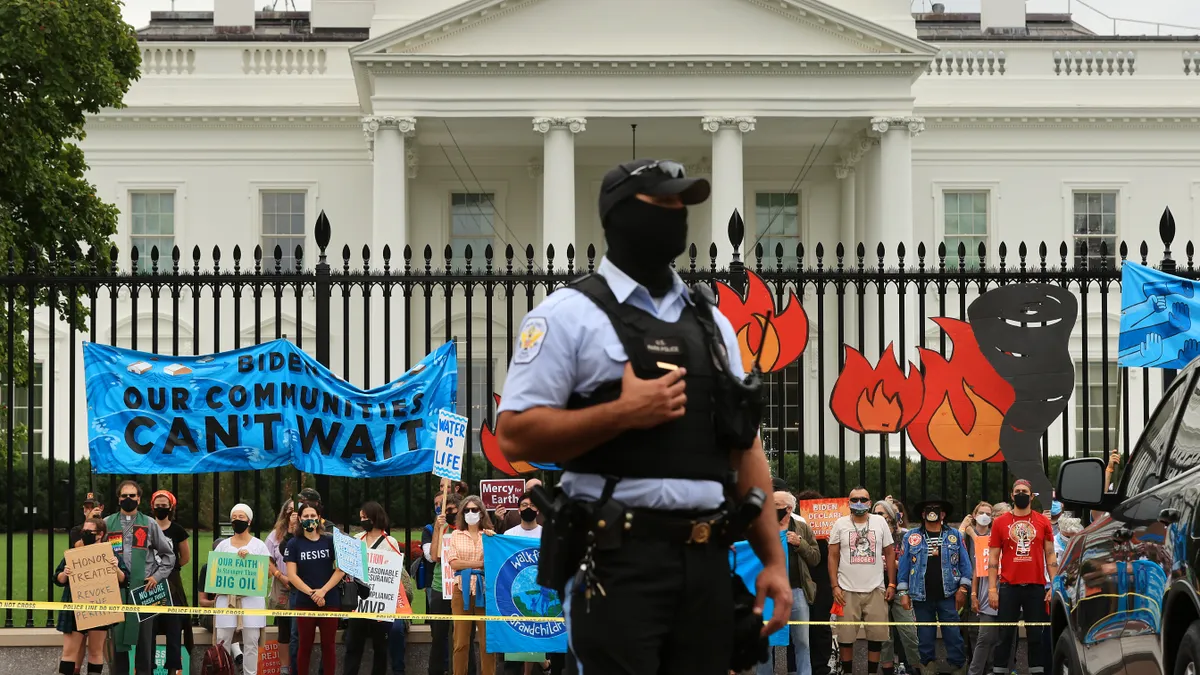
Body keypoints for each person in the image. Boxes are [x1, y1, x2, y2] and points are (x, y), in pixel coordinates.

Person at [494, 158, 790, 674]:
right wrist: (622, 412)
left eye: (683, 206)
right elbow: (514, 434)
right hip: (616, 560)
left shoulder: (712, 322)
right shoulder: (567, 314)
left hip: (706, 558)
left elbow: (746, 447)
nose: (678, 216)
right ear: (622, 215)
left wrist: (773, 561)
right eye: (665, 204)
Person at [106, 480, 177, 675]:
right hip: (117, 590)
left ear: (139, 498)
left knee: (145, 643)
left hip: (144, 590)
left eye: (132, 496)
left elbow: (169, 555)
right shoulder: (107, 523)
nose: (128, 499)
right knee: (117, 640)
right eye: (124, 496)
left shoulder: (149, 523)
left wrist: (157, 576)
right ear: (118, 498)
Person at [897, 497, 972, 675]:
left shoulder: (955, 535)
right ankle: (927, 669)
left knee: (953, 635)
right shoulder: (911, 536)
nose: (932, 511)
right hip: (920, 596)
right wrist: (903, 592)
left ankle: (958, 668)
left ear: (943, 514)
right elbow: (904, 565)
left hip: (949, 595)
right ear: (923, 515)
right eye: (928, 509)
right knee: (924, 637)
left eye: (936, 509)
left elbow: (966, 565)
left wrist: (963, 589)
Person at [988, 480, 1057, 675]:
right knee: (1005, 635)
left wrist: (1055, 584)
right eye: (1017, 491)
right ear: (1011, 495)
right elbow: (993, 557)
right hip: (1009, 586)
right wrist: (992, 589)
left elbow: (1050, 554)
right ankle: (999, 670)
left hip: (1036, 586)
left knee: (1036, 635)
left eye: (1024, 491)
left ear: (1031, 496)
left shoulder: (1042, 522)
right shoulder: (1000, 522)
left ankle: (1036, 671)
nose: (1020, 494)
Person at [828, 486, 895, 675]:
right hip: (846, 590)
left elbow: (889, 553)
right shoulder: (840, 524)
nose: (859, 503)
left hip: (876, 589)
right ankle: (848, 672)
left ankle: (872, 673)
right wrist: (834, 586)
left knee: (876, 637)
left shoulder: (879, 521)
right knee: (846, 638)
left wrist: (891, 583)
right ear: (848, 503)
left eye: (863, 499)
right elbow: (832, 555)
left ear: (870, 502)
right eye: (854, 499)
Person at [756, 490, 818, 675]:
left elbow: (815, 558)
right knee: (765, 641)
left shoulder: (802, 527)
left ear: (789, 508)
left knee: (802, 642)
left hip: (797, 592)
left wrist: (800, 544)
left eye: (776, 505)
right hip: (768, 595)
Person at [55, 517, 128, 675]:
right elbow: (57, 579)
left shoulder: (109, 554)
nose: (85, 534)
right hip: (75, 607)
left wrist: (115, 568)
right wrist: (65, 573)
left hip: (99, 606)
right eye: (83, 531)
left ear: (100, 534)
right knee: (69, 653)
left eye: (89, 532)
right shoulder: (75, 553)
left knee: (96, 652)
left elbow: (124, 580)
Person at [344, 501, 409, 675]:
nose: (363, 521)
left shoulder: (390, 542)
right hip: (359, 603)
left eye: (365, 517)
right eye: (361, 518)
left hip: (381, 603)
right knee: (353, 646)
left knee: (380, 648)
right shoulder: (357, 539)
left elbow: (395, 572)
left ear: (375, 517)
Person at [287, 503, 344, 675]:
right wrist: (312, 593)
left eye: (313, 516)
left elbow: (340, 570)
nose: (309, 519)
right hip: (305, 601)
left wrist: (323, 591)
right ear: (299, 519)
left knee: (329, 646)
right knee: (304, 646)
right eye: (306, 516)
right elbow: (292, 575)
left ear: (319, 518)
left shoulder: (330, 540)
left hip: (330, 599)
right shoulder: (294, 543)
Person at [212, 504, 270, 675]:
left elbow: (266, 574)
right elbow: (215, 573)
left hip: (252, 601)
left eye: (241, 517)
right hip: (226, 601)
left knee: (251, 642)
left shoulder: (258, 545)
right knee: (223, 641)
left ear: (249, 521)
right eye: (234, 517)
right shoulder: (222, 545)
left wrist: (251, 560)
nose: (237, 520)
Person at [448, 495, 496, 675]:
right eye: (466, 510)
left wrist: (469, 563)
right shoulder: (456, 535)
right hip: (462, 589)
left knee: (487, 642)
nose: (470, 513)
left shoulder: (490, 536)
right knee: (460, 642)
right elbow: (453, 563)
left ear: (482, 513)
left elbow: (494, 562)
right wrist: (479, 565)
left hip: (485, 591)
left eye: (474, 510)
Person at [872, 500, 919, 675]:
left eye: (881, 514)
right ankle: (887, 670)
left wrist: (895, 563)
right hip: (878, 586)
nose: (877, 517)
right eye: (874, 514)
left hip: (901, 587)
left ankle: (915, 668)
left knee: (909, 631)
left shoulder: (906, 535)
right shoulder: (870, 536)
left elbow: (915, 562)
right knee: (884, 636)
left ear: (891, 517)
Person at [502, 493, 547, 675]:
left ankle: (539, 666)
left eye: (532, 505)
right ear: (518, 509)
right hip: (515, 593)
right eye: (524, 504)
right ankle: (543, 665)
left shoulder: (546, 534)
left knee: (535, 635)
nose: (528, 508)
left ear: (538, 510)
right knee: (516, 635)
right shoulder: (508, 535)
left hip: (540, 593)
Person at [149, 489, 191, 675]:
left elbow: (185, 557)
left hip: (172, 584)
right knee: (148, 626)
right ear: (152, 507)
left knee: (174, 628)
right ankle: (147, 666)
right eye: (157, 505)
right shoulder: (147, 528)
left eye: (164, 505)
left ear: (170, 507)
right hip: (149, 582)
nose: (160, 508)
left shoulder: (177, 530)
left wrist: (171, 569)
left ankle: (173, 668)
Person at [796, 490, 836, 675]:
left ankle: (820, 667)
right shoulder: (795, 528)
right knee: (799, 629)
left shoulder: (832, 532)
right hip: (800, 582)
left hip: (823, 584)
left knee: (820, 626)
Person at [266, 498, 299, 675]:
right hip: (282, 585)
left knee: (299, 630)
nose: (293, 513)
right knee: (284, 629)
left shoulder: (305, 532)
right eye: (290, 510)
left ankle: (297, 664)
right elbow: (267, 560)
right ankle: (285, 667)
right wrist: (280, 575)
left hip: (302, 587)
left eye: (296, 510)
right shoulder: (275, 535)